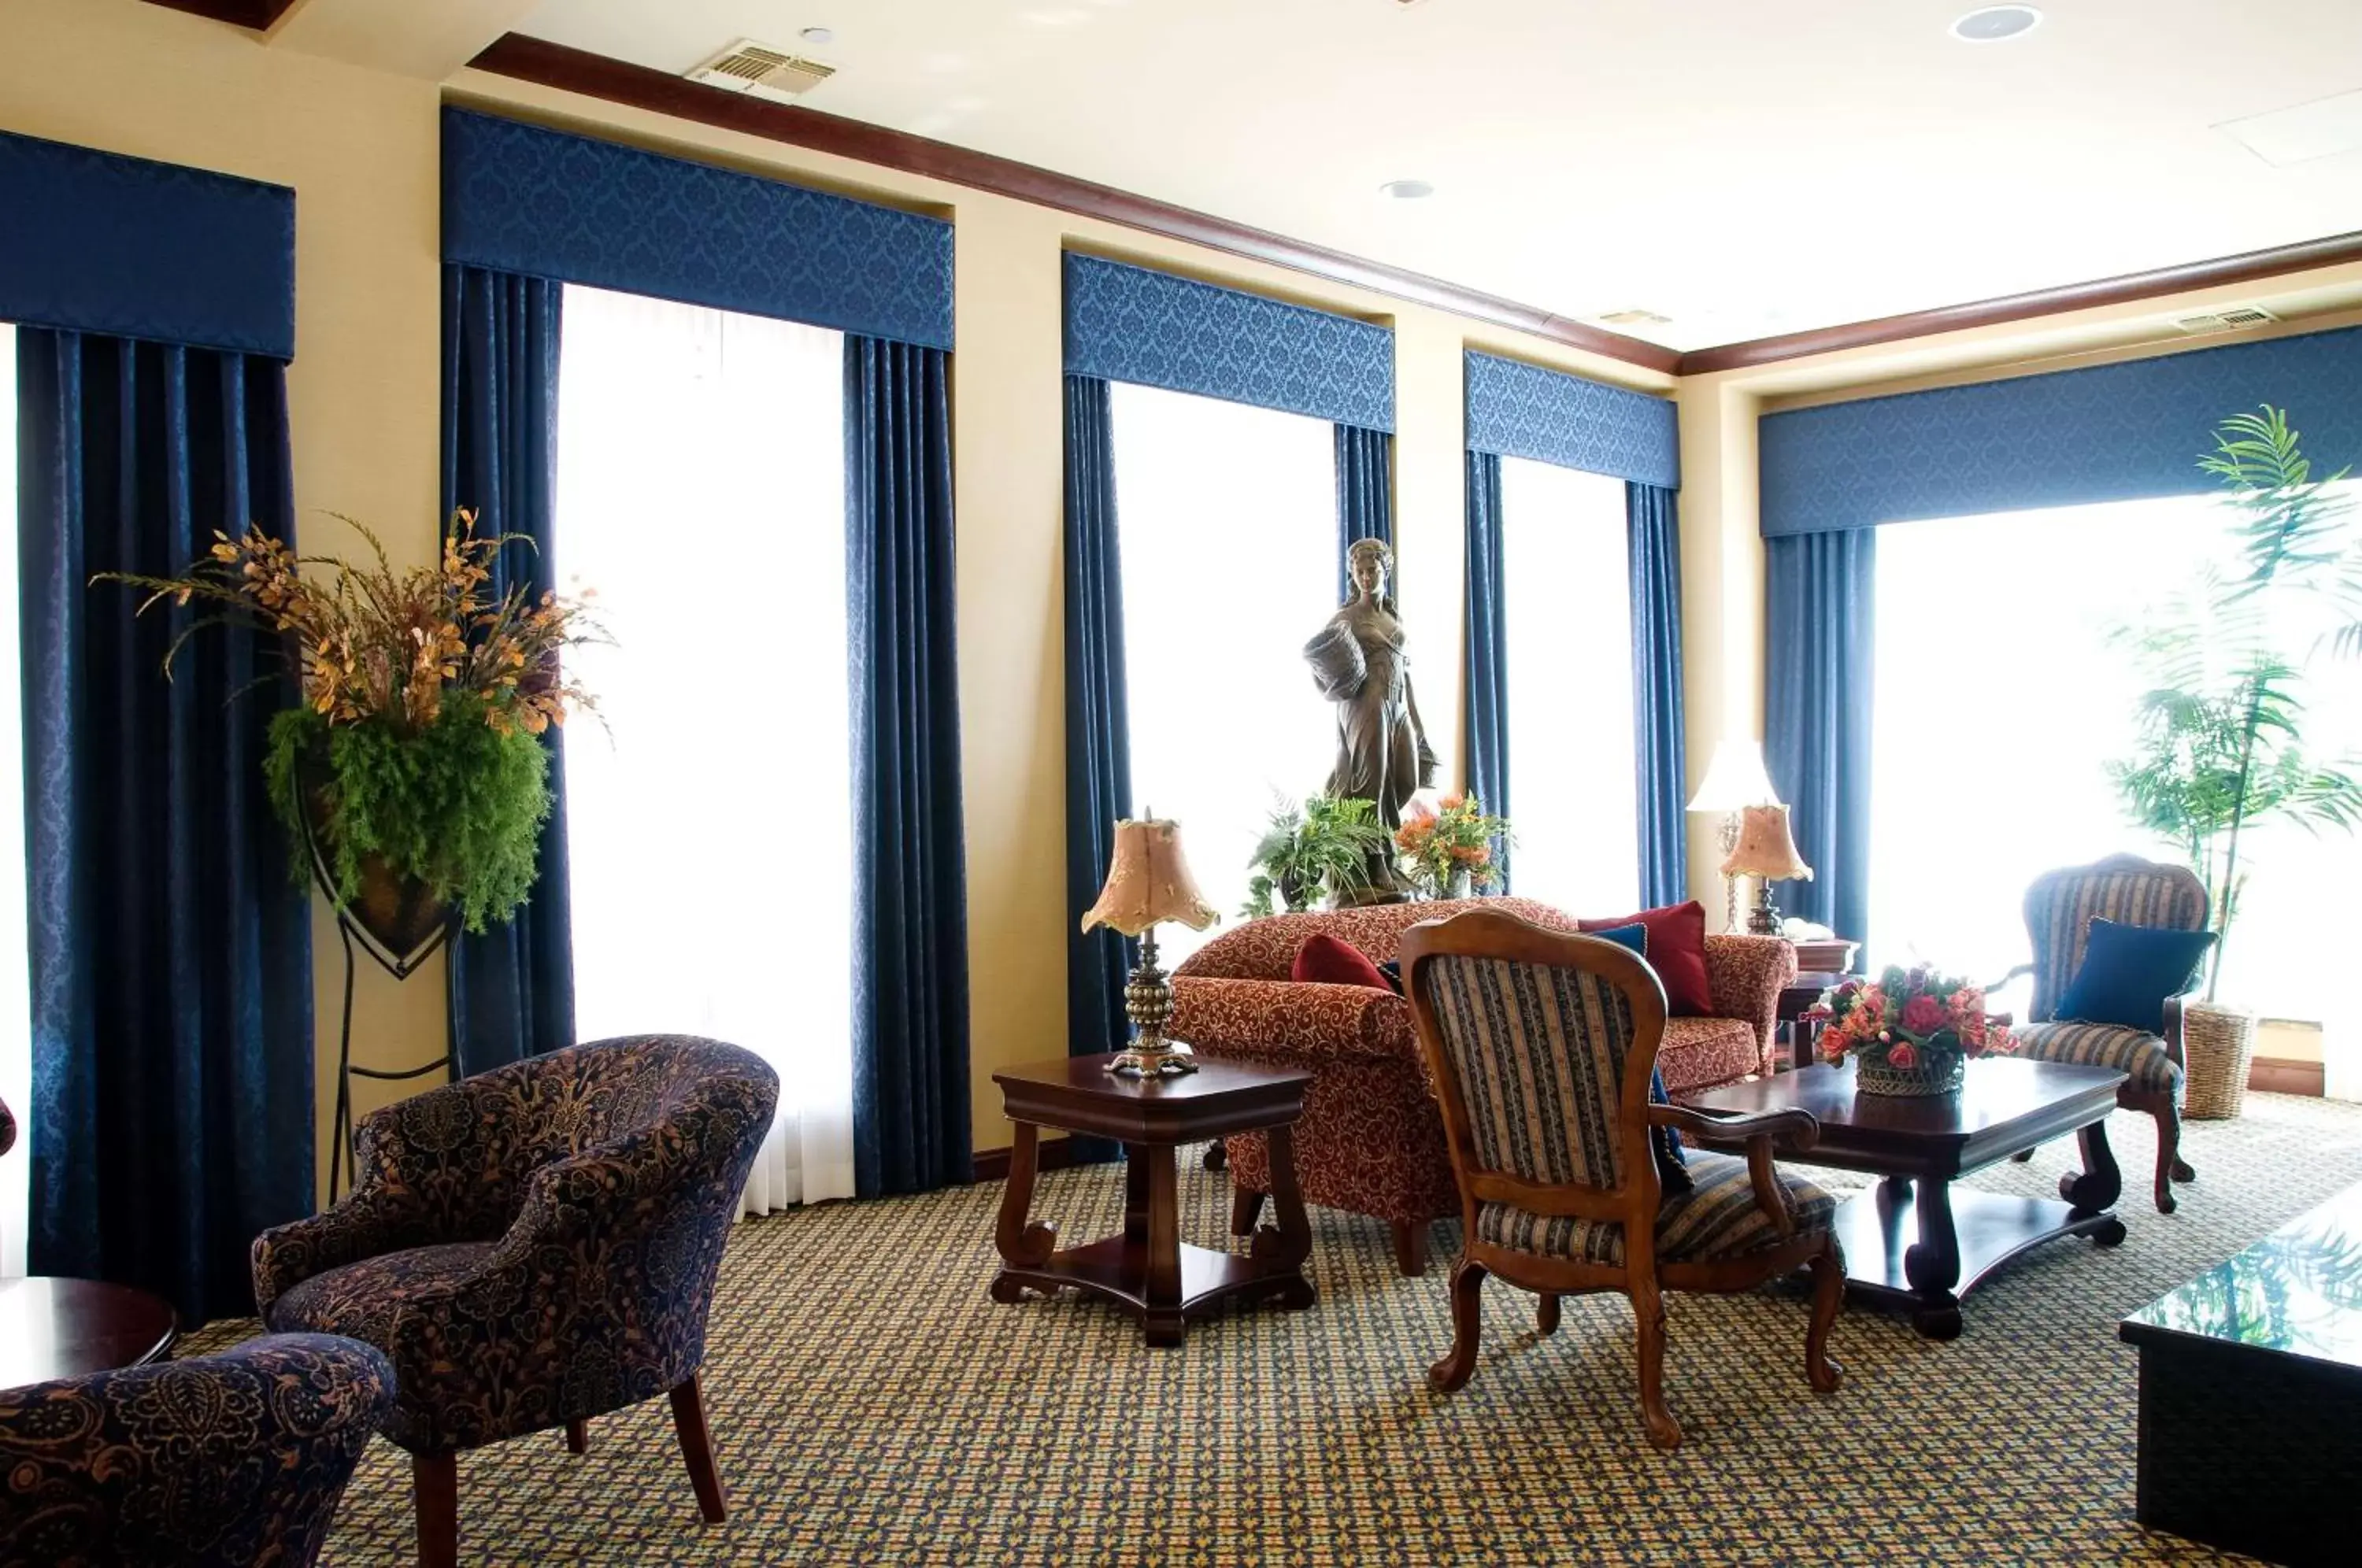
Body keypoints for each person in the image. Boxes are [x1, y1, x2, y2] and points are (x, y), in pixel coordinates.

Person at [1304, 538, 1435, 897]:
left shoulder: (1393, 617)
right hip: (1366, 703)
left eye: (1371, 570)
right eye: (1358, 571)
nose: (1364, 576)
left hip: (1398, 704)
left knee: (1405, 778)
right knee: (1369, 785)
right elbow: (1322, 671)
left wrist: (1418, 723)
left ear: (1385, 570)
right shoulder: (1346, 618)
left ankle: (1383, 851)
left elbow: (1406, 674)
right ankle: (1376, 860)